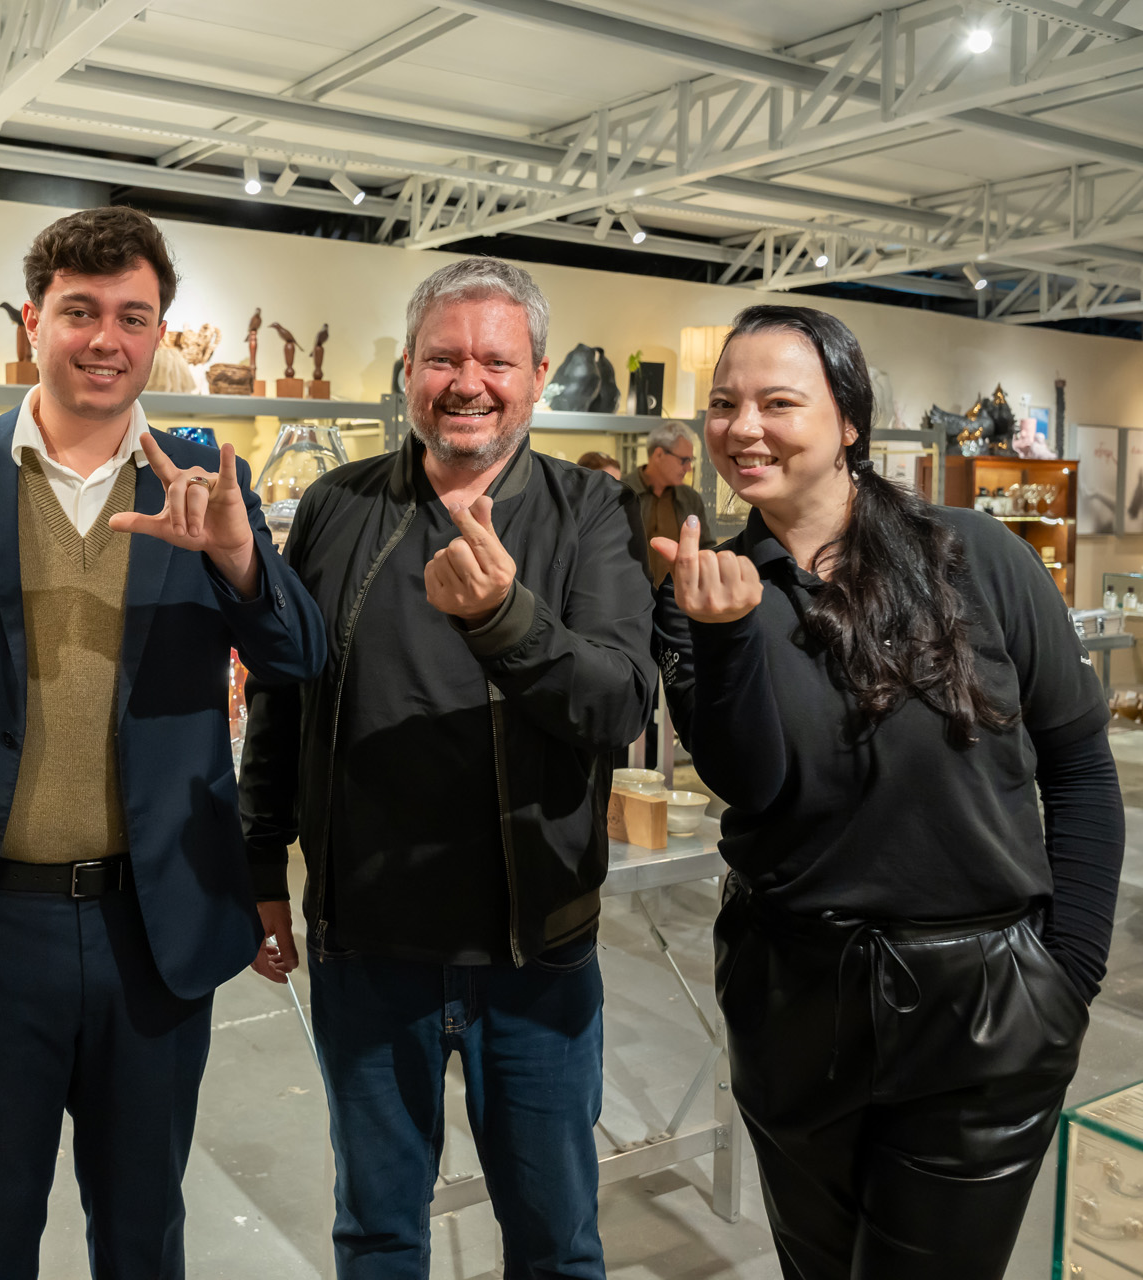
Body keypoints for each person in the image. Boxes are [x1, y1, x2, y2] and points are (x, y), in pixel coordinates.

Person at [0, 206, 325, 1280]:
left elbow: (297, 656)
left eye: (133, 317)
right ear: (34, 320)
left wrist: (239, 557)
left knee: (143, 1233)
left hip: (155, 926)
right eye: (81, 311)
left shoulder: (203, 476)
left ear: (160, 334)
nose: (105, 338)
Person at [652, 304, 1122, 1280]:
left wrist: (1067, 976)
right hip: (793, 995)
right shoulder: (705, 588)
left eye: (778, 401)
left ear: (849, 420)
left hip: (984, 1006)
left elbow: (1079, 763)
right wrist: (729, 637)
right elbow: (756, 785)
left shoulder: (978, 557)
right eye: (724, 403)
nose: (743, 427)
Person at [240, 256, 655, 1280]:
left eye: (495, 359)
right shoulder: (338, 506)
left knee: (555, 1240)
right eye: (442, 357)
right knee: (379, 1233)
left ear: (539, 372)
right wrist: (259, 864)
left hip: (536, 954)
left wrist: (504, 618)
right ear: (408, 371)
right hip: (368, 949)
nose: (467, 381)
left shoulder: (588, 514)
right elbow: (286, 693)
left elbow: (616, 699)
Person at [625, 419, 715, 586]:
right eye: (684, 460)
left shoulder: (691, 499)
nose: (688, 468)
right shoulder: (621, 493)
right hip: (630, 600)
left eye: (691, 460)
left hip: (677, 600)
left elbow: (705, 547)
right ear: (658, 455)